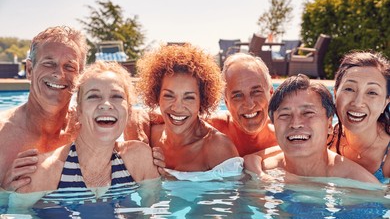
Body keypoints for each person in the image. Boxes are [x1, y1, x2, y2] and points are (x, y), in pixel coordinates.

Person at [12, 61, 159, 194]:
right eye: (93, 96)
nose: (106, 104)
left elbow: (155, 215)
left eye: (117, 96)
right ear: (79, 113)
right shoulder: (45, 171)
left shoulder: (139, 159)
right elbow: (18, 217)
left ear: (129, 111)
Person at [244, 74, 379, 183]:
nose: (295, 123)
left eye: (308, 113)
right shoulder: (258, 174)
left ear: (329, 125)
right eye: (285, 115)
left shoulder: (359, 184)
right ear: (274, 125)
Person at [0, 26, 88, 188]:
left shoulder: (87, 130)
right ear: (29, 69)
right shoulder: (2, 135)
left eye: (69, 67)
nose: (59, 74)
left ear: (80, 77)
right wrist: (5, 194)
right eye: (49, 63)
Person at [135, 43, 240, 175]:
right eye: (168, 95)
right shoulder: (150, 135)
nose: (177, 107)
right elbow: (132, 115)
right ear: (157, 96)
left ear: (202, 100)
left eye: (189, 98)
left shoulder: (217, 148)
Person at [328, 51, 390, 183]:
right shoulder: (323, 139)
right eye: (349, 89)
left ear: (386, 103)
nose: (357, 103)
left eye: (372, 92)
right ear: (335, 93)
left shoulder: (387, 155)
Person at [208, 53, 278, 156]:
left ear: (271, 94)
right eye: (238, 96)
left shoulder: (284, 139)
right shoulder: (208, 133)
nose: (249, 105)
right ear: (227, 103)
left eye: (256, 92)